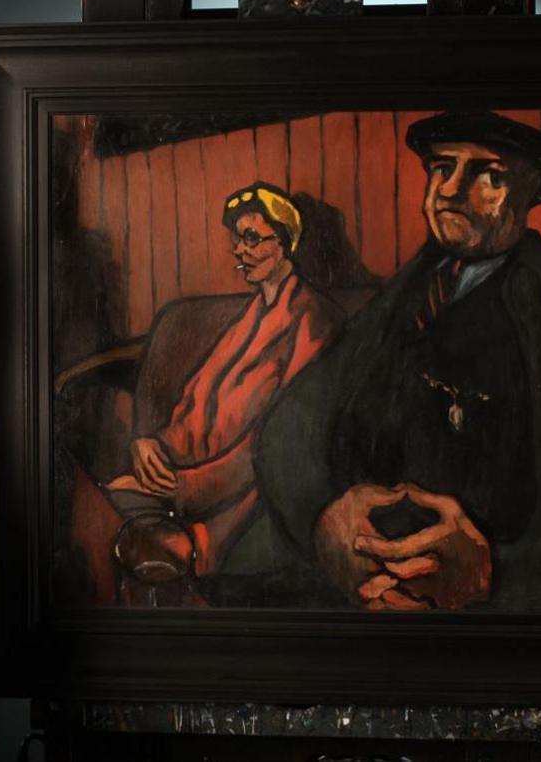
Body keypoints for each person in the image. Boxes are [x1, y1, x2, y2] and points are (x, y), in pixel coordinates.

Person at [246, 111, 541, 612]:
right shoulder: (397, 300)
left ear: (528, 195)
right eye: (441, 168)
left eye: (490, 175)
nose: (452, 189)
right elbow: (290, 425)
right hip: (360, 587)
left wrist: (489, 577)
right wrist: (324, 520)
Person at [73, 181, 343, 604]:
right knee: (96, 509)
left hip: (236, 504)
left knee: (122, 531)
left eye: (252, 238)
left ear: (285, 242)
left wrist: (182, 487)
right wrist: (151, 446)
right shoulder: (249, 315)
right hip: (182, 478)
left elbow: (275, 444)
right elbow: (194, 405)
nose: (239, 249)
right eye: (238, 238)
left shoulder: (313, 320)